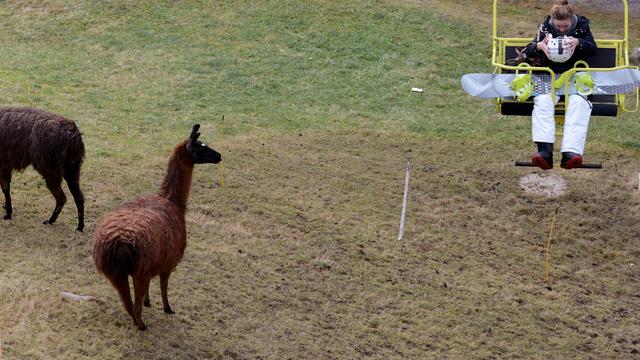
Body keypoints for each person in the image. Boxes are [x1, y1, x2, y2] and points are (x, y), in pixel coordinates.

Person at [524, 0, 597, 170]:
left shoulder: (581, 27)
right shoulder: (545, 27)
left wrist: (579, 42)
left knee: (579, 103)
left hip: (574, 75)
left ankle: (571, 153)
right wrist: (538, 46)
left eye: (565, 26)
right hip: (548, 76)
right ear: (553, 21)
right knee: (542, 101)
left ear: (571, 20)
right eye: (558, 26)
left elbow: (593, 49)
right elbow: (527, 50)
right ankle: (544, 152)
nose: (561, 29)